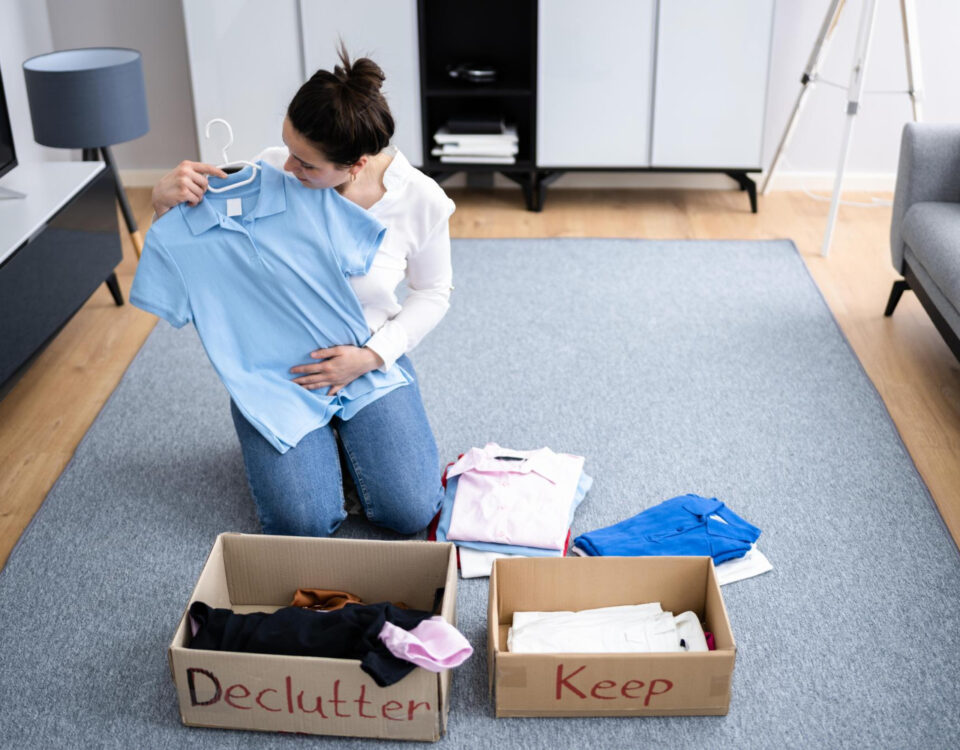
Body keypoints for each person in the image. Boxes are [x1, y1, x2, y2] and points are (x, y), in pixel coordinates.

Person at [149, 46, 454, 538]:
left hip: (364, 356)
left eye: (306, 163)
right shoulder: (272, 173)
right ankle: (304, 443)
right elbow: (201, 247)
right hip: (277, 369)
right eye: (287, 147)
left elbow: (435, 292)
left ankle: (345, 440)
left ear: (355, 164)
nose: (287, 166)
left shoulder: (419, 201)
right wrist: (162, 204)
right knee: (302, 524)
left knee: (412, 512)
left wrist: (373, 356)